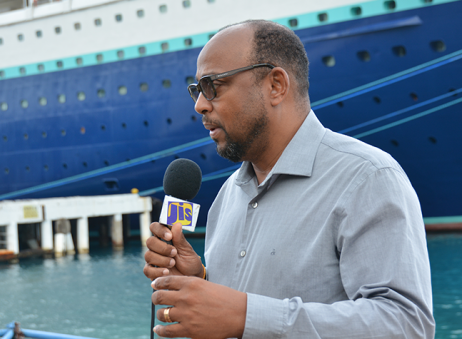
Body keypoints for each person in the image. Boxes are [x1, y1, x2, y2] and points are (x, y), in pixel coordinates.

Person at [143, 20, 435, 339]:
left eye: (212, 85)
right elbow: (229, 312)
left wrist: (246, 316)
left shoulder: (368, 177)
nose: (200, 104)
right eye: (197, 90)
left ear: (276, 85)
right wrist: (199, 281)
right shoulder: (228, 195)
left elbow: (407, 325)